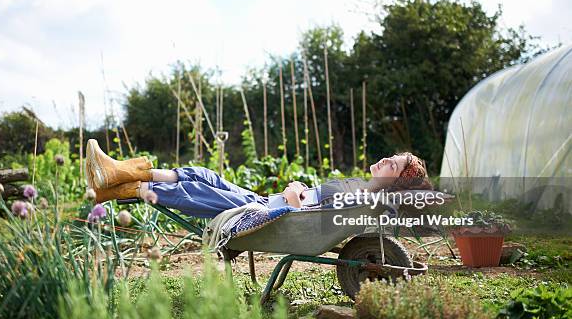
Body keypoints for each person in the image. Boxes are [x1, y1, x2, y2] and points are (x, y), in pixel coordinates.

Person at [85, 139, 431, 218]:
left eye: (394, 164)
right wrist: (297, 192)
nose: (385, 159)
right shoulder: (358, 186)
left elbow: (308, 213)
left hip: (267, 215)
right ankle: (118, 176)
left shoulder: (361, 197)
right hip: (267, 203)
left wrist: (296, 193)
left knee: (196, 190)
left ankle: (118, 186)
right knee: (207, 174)